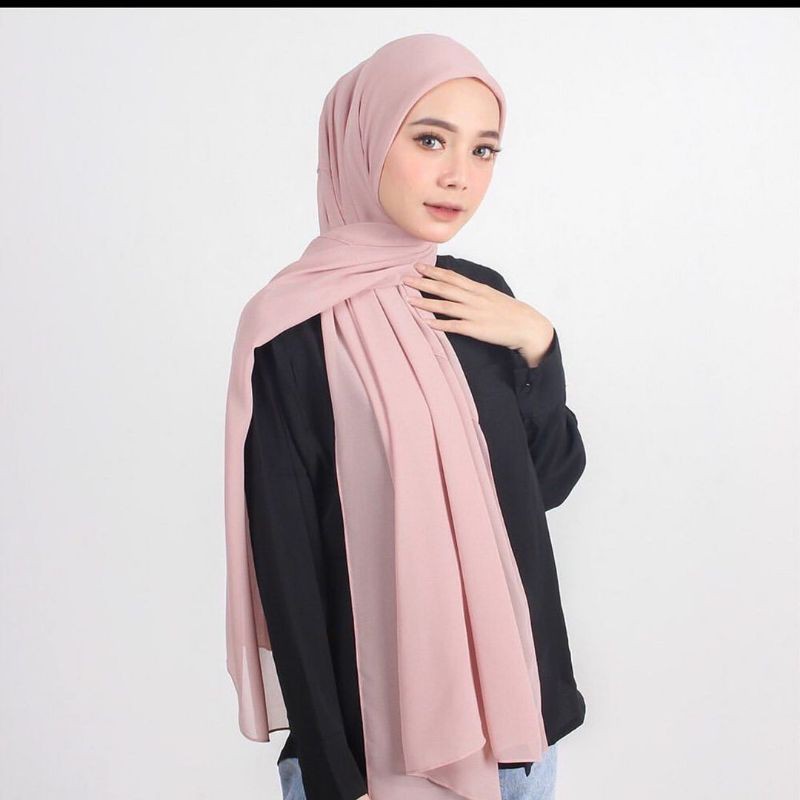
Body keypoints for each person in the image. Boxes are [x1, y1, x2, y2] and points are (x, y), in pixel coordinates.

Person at [225, 34, 587, 800]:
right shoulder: (290, 330)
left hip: (522, 731)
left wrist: (539, 345)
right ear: (363, 143)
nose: (460, 175)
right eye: (429, 140)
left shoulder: (477, 298)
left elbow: (548, 483)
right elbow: (287, 567)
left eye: (483, 150)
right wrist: (334, 772)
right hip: (372, 757)